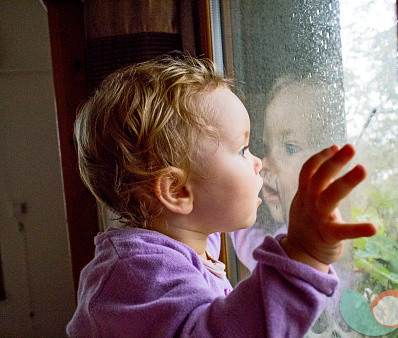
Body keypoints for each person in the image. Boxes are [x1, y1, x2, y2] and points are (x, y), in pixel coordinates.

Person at [66, 56, 376, 337]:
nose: (258, 162)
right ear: (177, 191)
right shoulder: (142, 273)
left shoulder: (186, 239)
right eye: (242, 150)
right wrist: (303, 254)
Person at [231, 76, 358, 336]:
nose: (265, 162)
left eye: (290, 147)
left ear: (332, 168)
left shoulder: (301, 245)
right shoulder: (282, 238)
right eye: (266, 146)